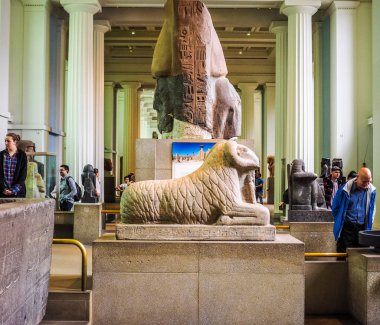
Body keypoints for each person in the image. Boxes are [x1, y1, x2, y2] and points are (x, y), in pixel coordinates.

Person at [332, 167, 376, 254]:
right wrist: (339, 220)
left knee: (362, 256)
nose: (367, 184)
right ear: (357, 177)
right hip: (347, 229)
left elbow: (372, 208)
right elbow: (335, 207)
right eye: (364, 181)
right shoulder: (345, 189)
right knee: (343, 255)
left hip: (362, 229)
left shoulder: (372, 191)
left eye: (369, 181)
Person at [0, 133, 27, 198]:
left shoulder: (22, 155)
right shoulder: (1, 155)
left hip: (18, 192)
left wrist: (13, 190)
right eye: (5, 141)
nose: (6, 143)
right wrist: (3, 189)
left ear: (15, 142)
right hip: (2, 192)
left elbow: (23, 176)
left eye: (8, 141)